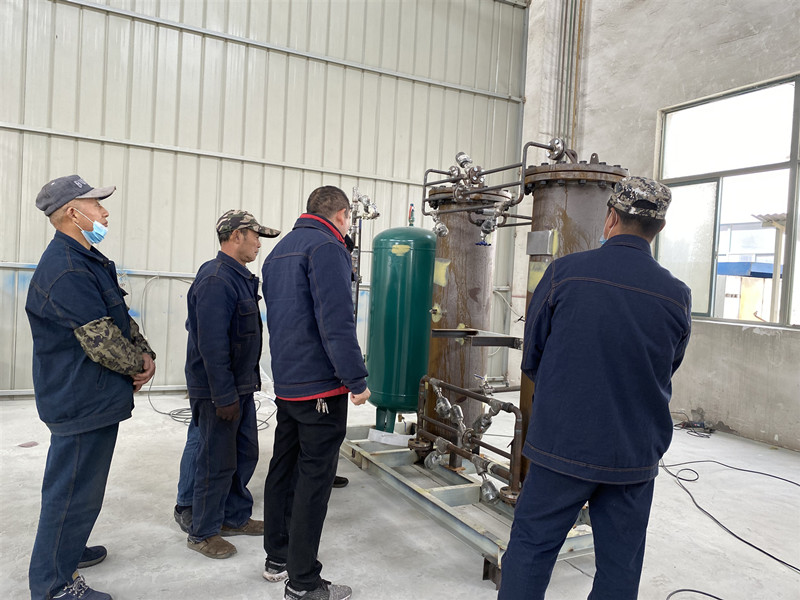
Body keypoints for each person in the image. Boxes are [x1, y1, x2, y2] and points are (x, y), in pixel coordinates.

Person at [498, 176, 692, 600]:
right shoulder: (676, 295)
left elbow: (532, 358)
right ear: (659, 229)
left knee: (531, 550)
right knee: (620, 567)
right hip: (633, 453)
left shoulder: (563, 274)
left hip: (562, 446)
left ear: (611, 218)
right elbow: (667, 368)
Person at [26, 174, 157, 600]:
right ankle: (53, 584)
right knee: (71, 494)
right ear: (72, 213)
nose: (104, 212)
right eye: (96, 205)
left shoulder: (87, 260)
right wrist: (137, 365)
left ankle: (68, 549)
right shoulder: (66, 269)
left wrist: (145, 352)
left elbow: (118, 315)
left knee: (81, 489)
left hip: (93, 393)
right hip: (79, 397)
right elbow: (101, 341)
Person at [261, 186, 370, 600]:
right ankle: (304, 582)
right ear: (342, 215)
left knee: (284, 468)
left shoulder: (279, 251)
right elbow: (335, 321)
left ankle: (277, 558)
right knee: (314, 480)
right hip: (320, 387)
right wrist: (355, 379)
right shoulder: (327, 248)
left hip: (288, 382)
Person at [182, 210, 280, 559]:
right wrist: (223, 395)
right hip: (218, 391)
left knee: (243, 453)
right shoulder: (216, 279)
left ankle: (234, 517)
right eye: (255, 236)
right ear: (237, 235)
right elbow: (211, 344)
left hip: (240, 386)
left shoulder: (238, 278)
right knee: (216, 461)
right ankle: (203, 532)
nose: (259, 244)